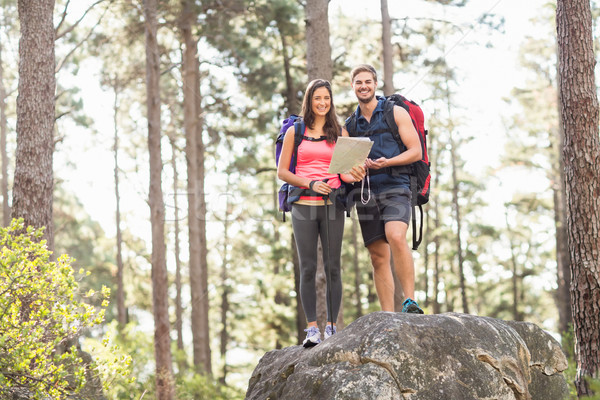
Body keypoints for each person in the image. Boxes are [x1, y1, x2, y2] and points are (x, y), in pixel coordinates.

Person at [278, 79, 365, 347]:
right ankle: (312, 329)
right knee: (307, 269)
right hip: (303, 206)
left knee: (333, 267)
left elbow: (346, 173)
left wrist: (357, 173)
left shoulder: (340, 131)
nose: (322, 103)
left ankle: (331, 327)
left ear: (331, 101)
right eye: (317, 98)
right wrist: (311, 183)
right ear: (309, 100)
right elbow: (282, 172)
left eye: (326, 98)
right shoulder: (296, 130)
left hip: (332, 206)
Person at [346, 64, 424, 314]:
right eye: (358, 82)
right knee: (378, 257)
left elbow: (415, 151)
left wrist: (387, 162)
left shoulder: (395, 112)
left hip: (396, 184)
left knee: (396, 235)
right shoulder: (350, 125)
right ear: (353, 86)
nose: (363, 86)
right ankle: (387, 316)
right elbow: (346, 168)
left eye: (367, 81)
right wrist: (355, 171)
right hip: (366, 192)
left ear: (375, 84)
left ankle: (410, 301)